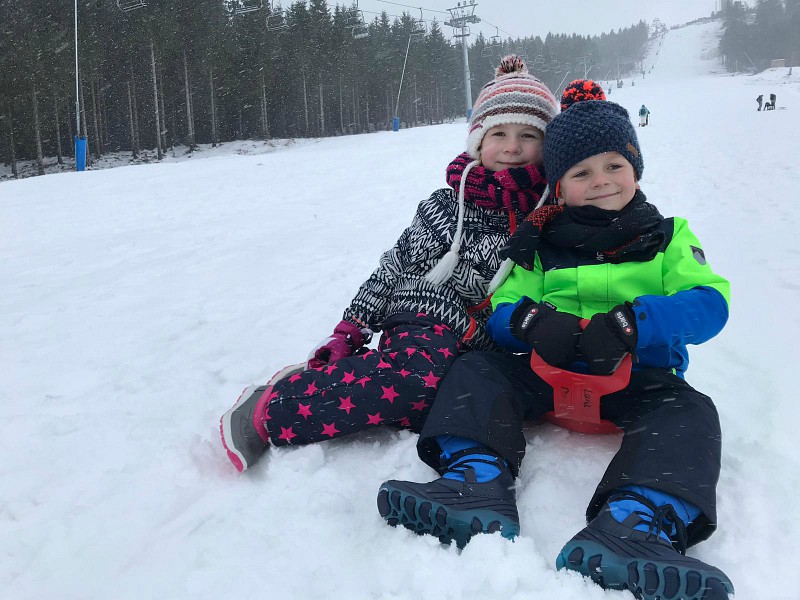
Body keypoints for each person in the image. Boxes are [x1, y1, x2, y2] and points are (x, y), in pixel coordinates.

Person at [377, 100, 734, 599]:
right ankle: (475, 480)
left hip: (636, 378)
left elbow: (710, 302)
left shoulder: (669, 236)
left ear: (636, 169)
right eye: (581, 172)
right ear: (559, 185)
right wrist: (531, 321)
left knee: (690, 412)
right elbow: (500, 305)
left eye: (615, 166)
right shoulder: (540, 241)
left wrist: (638, 322)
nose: (602, 180)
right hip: (549, 373)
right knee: (479, 369)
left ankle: (637, 521)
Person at [219, 55, 560, 473]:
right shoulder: (444, 206)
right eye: (499, 133)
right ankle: (274, 407)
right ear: (477, 141)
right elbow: (394, 265)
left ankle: (363, 379)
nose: (512, 147)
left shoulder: (548, 217)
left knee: (444, 408)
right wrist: (352, 326)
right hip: (425, 316)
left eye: (529, 134)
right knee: (420, 381)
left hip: (483, 342)